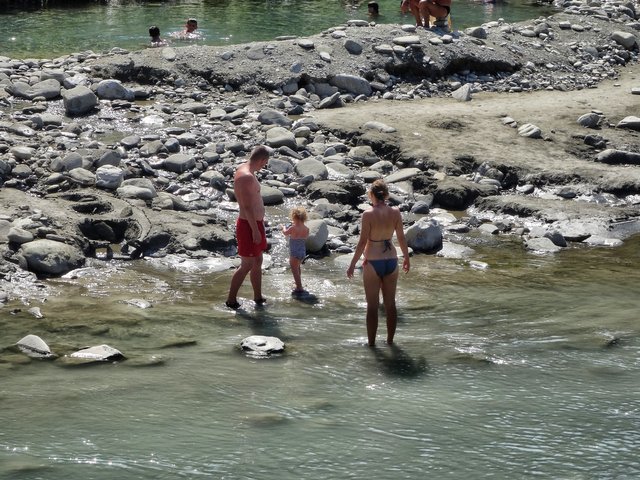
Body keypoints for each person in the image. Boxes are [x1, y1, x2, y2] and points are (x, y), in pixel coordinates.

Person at [347, 180, 410, 347]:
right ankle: (390, 342)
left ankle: (372, 344)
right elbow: (402, 238)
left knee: (372, 307)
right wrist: (407, 258)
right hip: (391, 260)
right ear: (387, 195)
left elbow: (362, 243)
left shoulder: (368, 214)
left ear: (371, 195)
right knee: (391, 305)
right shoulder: (395, 212)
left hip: (373, 262)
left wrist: (353, 263)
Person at [225, 145, 271, 309]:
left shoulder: (245, 170)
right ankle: (231, 300)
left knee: (258, 259)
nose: (263, 167)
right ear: (262, 160)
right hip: (248, 225)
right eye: (264, 163)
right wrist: (255, 230)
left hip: (254, 223)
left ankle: (258, 297)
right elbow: (247, 207)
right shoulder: (246, 177)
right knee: (247, 264)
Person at [281, 206, 310, 295]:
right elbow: (305, 237)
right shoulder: (306, 229)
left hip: (294, 252)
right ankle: (298, 282)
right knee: (297, 267)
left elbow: (285, 233)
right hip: (302, 252)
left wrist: (283, 227)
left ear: (294, 217)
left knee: (294, 269)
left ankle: (299, 287)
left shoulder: (293, 228)